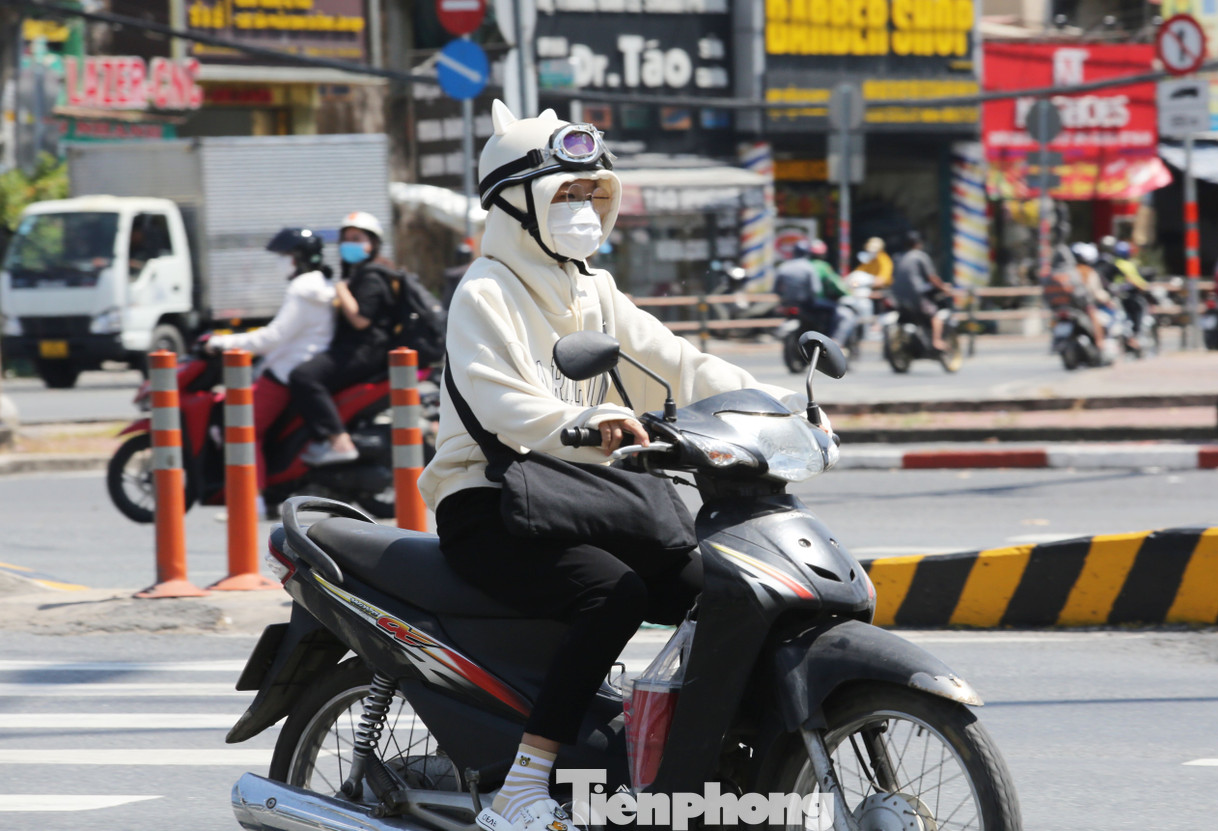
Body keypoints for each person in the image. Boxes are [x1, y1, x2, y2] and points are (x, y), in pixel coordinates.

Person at [420, 102, 806, 831]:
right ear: (515, 203)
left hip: (574, 492)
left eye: (592, 192)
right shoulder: (485, 290)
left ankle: (692, 758)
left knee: (721, 586)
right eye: (564, 193)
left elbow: (674, 361)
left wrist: (774, 403)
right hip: (488, 499)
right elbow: (500, 401)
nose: (583, 208)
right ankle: (522, 786)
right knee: (613, 593)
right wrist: (584, 422)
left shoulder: (590, 287)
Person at [206, 227, 335, 489]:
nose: (280, 262)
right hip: (303, 364)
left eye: (284, 256)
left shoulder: (301, 290)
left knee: (242, 429)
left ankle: (253, 500)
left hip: (285, 372)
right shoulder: (322, 287)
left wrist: (224, 342)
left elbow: (272, 338)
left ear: (297, 259)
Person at [289, 211, 398, 466]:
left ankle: (339, 442)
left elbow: (361, 319)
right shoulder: (358, 273)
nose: (349, 244)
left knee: (304, 377)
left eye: (357, 238)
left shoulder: (372, 275)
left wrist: (340, 289)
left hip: (364, 352)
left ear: (373, 243)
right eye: (346, 239)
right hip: (355, 349)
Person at [891, 230, 955, 351]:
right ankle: (937, 341)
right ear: (918, 243)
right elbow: (932, 278)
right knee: (935, 315)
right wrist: (944, 288)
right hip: (916, 297)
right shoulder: (920, 256)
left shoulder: (897, 257)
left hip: (896, 298)